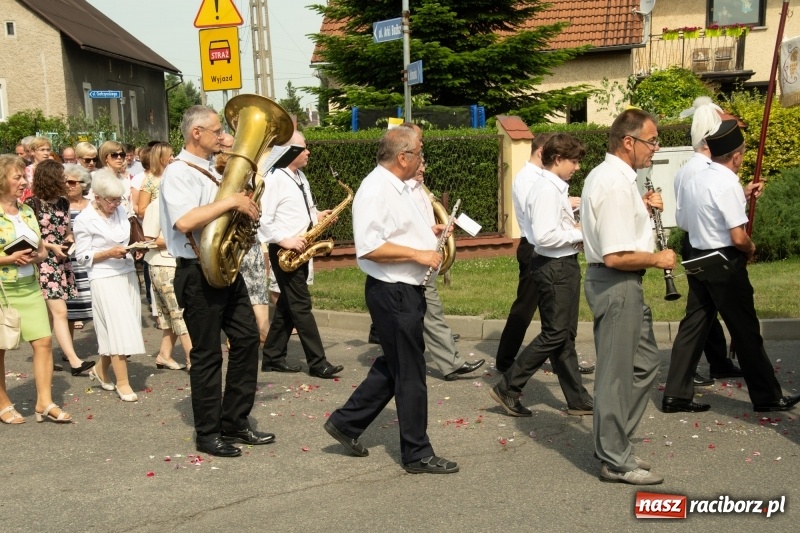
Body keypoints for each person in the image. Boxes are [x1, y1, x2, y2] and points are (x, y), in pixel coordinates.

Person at [324, 127, 459, 474]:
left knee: (396, 363)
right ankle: (417, 453)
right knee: (410, 373)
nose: (422, 158)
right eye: (418, 152)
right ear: (402, 157)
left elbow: (397, 230)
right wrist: (418, 254)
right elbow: (370, 247)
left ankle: (346, 422)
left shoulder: (398, 187)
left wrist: (428, 236)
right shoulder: (375, 190)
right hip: (393, 291)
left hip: (404, 290)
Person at [160, 105, 274, 458]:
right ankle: (208, 433)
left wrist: (244, 204)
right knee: (208, 356)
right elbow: (184, 222)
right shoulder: (178, 173)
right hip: (196, 273)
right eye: (215, 129)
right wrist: (232, 203)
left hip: (226, 268)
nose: (222, 134)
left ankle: (235, 421)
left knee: (247, 340)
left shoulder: (210, 170)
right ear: (196, 133)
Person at [663, 119, 800, 414]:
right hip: (724, 261)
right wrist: (751, 249)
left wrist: (744, 195)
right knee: (745, 329)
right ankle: (766, 396)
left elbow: (693, 217)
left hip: (698, 257)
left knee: (693, 327)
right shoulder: (727, 181)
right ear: (736, 155)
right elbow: (738, 236)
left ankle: (675, 394)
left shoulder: (696, 176)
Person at [580, 109, 675, 485]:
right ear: (628, 142)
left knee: (645, 362)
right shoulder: (615, 183)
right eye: (652, 141)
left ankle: (614, 441)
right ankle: (614, 458)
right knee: (615, 377)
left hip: (622, 285)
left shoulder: (618, 179)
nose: (656, 148)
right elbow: (616, 255)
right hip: (616, 283)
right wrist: (659, 259)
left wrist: (644, 208)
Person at [490, 134, 594, 416]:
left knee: (564, 334)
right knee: (555, 333)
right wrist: (578, 234)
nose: (577, 167)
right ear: (557, 159)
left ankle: (577, 398)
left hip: (561, 264)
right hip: (554, 266)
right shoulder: (546, 188)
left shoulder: (554, 186)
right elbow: (544, 236)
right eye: (573, 161)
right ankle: (508, 386)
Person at [666, 99, 746, 393]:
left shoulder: (691, 168)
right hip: (710, 246)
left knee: (703, 311)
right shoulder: (705, 170)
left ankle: (716, 362)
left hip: (697, 242)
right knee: (716, 313)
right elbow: (712, 210)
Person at [402, 122, 484, 381]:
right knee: (430, 313)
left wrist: (435, 229)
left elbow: (417, 224)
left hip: (425, 260)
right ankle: (450, 364)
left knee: (424, 315)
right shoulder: (401, 189)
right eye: (419, 146)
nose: (423, 164)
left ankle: (428, 362)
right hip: (414, 262)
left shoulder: (418, 189)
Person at [259, 131, 343, 379]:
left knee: (287, 305)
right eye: (304, 148)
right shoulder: (274, 179)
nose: (308, 152)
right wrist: (284, 239)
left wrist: (318, 217)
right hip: (285, 250)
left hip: (301, 248)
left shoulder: (300, 177)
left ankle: (272, 357)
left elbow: (305, 209)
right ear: (290, 152)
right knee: (302, 306)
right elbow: (263, 219)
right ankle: (318, 363)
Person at [0, 154, 72, 424]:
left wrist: (36, 255)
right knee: (0, 348)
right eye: (16, 177)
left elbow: (41, 251)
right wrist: (8, 258)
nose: (23, 182)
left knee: (43, 341)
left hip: (29, 285)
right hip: (3, 289)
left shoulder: (27, 211)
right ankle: (3, 403)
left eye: (23, 177)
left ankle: (44, 401)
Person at [74, 171, 146, 402]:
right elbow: (82, 256)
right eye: (111, 200)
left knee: (127, 325)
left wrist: (136, 249)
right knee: (118, 329)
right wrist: (107, 253)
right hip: (103, 277)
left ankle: (100, 368)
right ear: (96, 196)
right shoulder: (85, 219)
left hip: (126, 272)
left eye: (119, 200)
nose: (116, 204)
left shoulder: (122, 211)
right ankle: (122, 383)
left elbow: (126, 238)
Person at [26, 160, 95, 376]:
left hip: (61, 260)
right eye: (61, 177)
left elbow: (67, 230)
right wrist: (51, 245)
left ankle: (45, 356)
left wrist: (68, 241)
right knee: (60, 312)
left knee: (49, 314)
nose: (66, 181)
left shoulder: (63, 203)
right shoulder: (32, 204)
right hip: (43, 261)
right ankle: (74, 361)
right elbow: (29, 238)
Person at [142, 199, 190, 370]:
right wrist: (182, 236)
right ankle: (192, 359)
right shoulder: (156, 205)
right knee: (179, 313)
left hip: (183, 263)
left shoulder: (186, 203)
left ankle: (164, 354)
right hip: (163, 264)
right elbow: (149, 240)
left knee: (171, 315)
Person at [63, 164, 92, 333]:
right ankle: (69, 350)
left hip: (90, 260)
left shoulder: (93, 205)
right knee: (70, 308)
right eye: (65, 182)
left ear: (83, 184)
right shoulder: (61, 206)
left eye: (72, 182)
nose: (68, 185)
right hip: (70, 260)